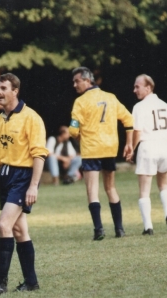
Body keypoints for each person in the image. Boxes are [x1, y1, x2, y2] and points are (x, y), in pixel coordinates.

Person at [0, 73, 48, 294]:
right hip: (5, 178)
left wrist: (34, 185)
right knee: (19, 230)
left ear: (15, 91)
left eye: (3, 88)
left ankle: (0, 282)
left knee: (3, 225)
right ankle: (31, 282)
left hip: (23, 177)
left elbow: (39, 154)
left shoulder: (31, 118)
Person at [69, 67, 133, 240]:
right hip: (109, 149)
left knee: (92, 190)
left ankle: (99, 230)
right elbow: (128, 120)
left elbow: (73, 130)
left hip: (91, 150)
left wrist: (80, 136)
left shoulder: (80, 102)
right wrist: (129, 144)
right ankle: (119, 229)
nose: (74, 85)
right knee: (110, 188)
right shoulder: (111, 97)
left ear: (87, 80)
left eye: (77, 81)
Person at [127, 74, 167, 235]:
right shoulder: (166, 106)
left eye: (137, 86)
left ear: (148, 88)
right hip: (164, 145)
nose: (134, 90)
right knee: (164, 185)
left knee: (144, 190)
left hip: (148, 146)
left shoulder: (139, 107)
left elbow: (137, 131)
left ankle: (148, 227)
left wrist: (131, 149)